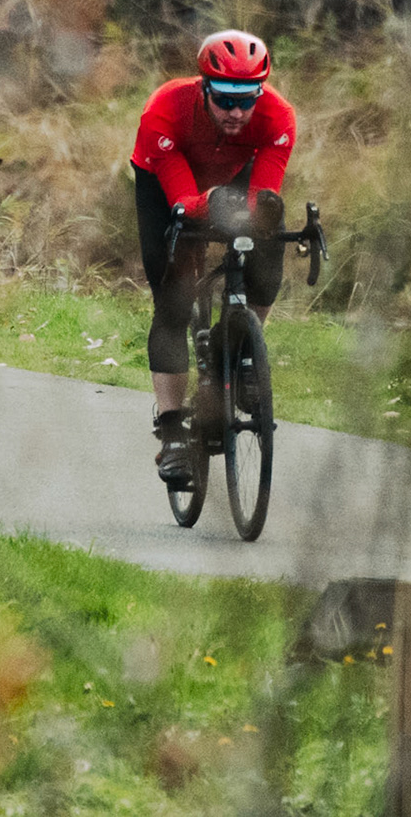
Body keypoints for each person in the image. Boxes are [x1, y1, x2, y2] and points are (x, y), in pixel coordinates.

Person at [131, 29, 295, 487]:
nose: (237, 113)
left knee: (269, 234)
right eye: (224, 100)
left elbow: (263, 194)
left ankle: (239, 347)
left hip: (232, 178)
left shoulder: (278, 117)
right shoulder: (164, 109)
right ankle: (171, 432)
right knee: (174, 300)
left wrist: (257, 216)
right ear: (204, 88)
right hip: (165, 183)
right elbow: (183, 201)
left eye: (247, 101)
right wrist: (211, 206)